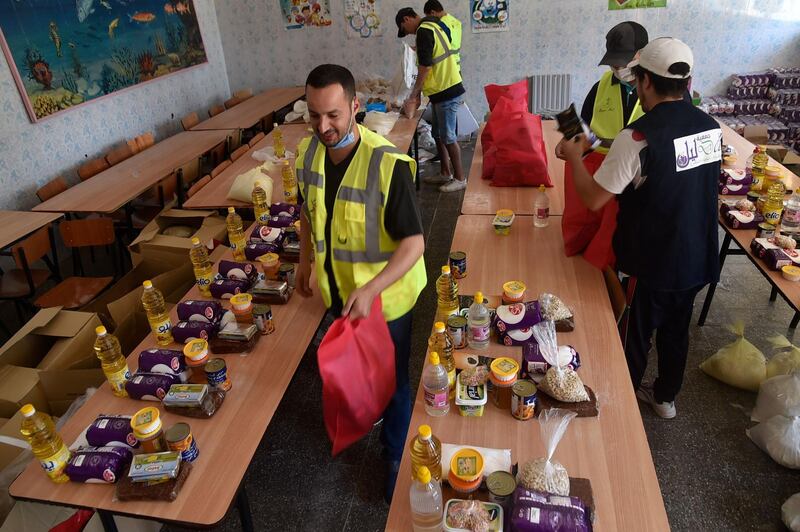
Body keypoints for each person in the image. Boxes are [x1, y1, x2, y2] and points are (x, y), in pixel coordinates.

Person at [558, 38, 721, 419]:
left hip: (651, 262)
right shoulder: (710, 127)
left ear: (645, 81)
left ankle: (624, 410)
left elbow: (595, 199)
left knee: (634, 333)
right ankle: (665, 398)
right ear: (686, 81)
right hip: (697, 255)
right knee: (676, 330)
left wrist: (575, 157)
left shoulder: (637, 138)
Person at [295, 64, 427, 502]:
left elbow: (414, 244)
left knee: (394, 384)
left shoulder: (388, 165)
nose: (323, 126)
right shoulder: (307, 156)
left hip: (387, 304)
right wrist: (302, 264)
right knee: (355, 371)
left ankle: (396, 458)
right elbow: (307, 213)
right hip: (341, 296)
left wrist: (372, 288)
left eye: (332, 114)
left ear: (355, 107)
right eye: (314, 116)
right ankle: (363, 416)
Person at [396, 7, 466, 192]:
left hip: (446, 89)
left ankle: (460, 178)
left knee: (449, 136)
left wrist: (415, 93)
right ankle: (445, 172)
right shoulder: (435, 24)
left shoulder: (423, 30)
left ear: (407, 19)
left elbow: (425, 66)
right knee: (438, 134)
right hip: (440, 89)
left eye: (405, 28)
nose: (408, 32)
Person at [423, 0, 462, 69]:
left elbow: (437, 46)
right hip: (456, 66)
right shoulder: (455, 21)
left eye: (428, 17)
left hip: (447, 67)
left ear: (433, 13)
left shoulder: (441, 24)